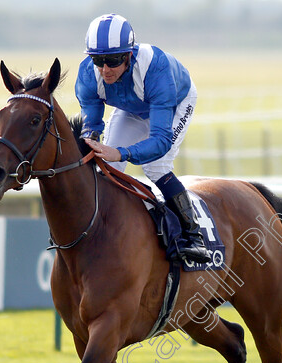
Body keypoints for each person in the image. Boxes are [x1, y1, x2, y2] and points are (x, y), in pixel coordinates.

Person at [75, 13, 211, 264]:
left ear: (128, 55)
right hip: (132, 107)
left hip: (174, 102)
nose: (105, 70)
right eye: (98, 60)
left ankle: (194, 237)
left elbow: (161, 140)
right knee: (108, 169)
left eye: (113, 60)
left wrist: (123, 152)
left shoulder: (155, 68)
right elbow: (92, 125)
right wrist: (90, 141)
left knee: (155, 166)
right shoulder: (87, 75)